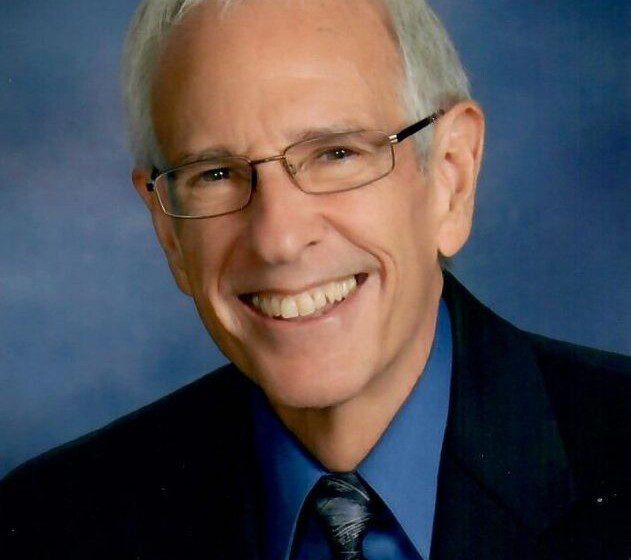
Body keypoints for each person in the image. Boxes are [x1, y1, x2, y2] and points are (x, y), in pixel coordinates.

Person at [1, 0, 628, 558]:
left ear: (451, 176)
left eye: (336, 154)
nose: (277, 238)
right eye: (215, 174)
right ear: (168, 231)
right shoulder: (49, 525)